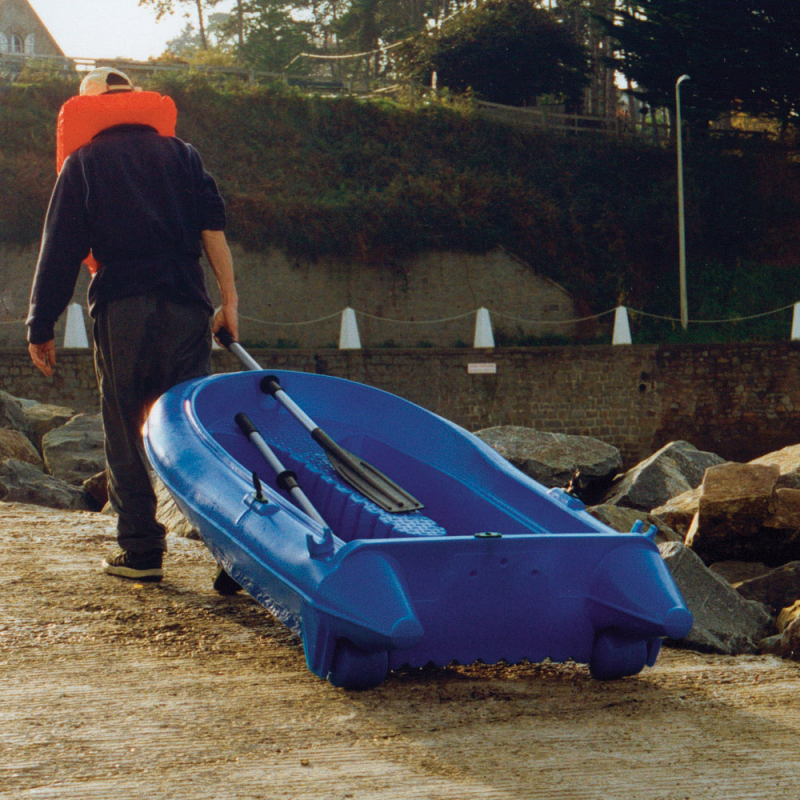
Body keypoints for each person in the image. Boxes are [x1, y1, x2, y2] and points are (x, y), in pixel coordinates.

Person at [27, 67, 239, 583]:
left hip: (124, 307)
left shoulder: (84, 162)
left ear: (92, 107)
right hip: (188, 305)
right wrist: (229, 302)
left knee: (125, 423)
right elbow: (214, 232)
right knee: (192, 430)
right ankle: (232, 553)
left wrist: (41, 322)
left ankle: (141, 551)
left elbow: (60, 249)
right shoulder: (184, 155)